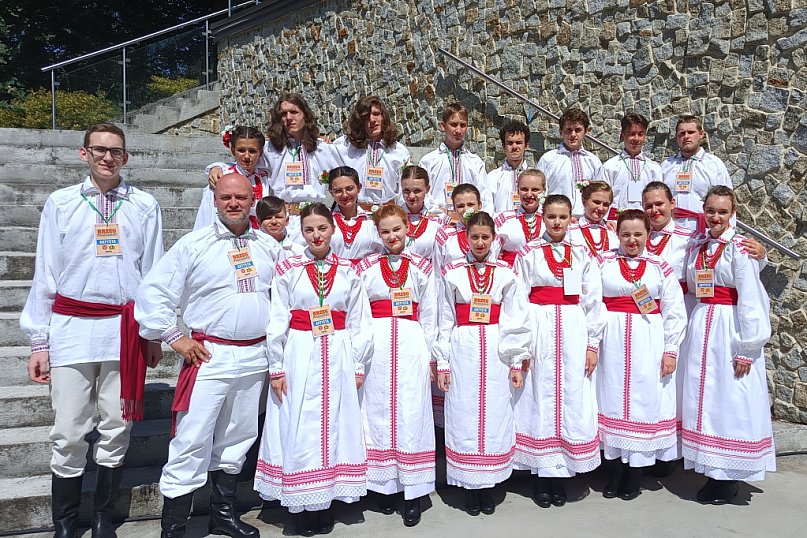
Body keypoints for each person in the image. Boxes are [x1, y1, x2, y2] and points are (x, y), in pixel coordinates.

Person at [20, 123, 164, 538]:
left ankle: (104, 517)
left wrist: (152, 333)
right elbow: (45, 274)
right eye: (99, 150)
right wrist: (38, 341)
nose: (107, 157)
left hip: (123, 330)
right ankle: (65, 522)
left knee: (118, 424)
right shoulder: (62, 203)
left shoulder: (144, 205)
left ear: (126, 157)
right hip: (71, 328)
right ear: (84, 154)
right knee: (68, 429)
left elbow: (152, 273)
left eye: (115, 151)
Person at [136, 174, 281, 538]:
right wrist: (173, 336)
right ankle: (174, 527)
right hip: (209, 357)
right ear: (215, 200)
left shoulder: (269, 246)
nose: (234, 203)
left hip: (255, 356)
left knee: (239, 437)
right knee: (191, 439)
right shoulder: (194, 244)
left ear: (253, 200)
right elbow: (153, 293)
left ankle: (223, 514)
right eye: (226, 197)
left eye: (241, 197)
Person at [255, 203, 373, 536]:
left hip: (337, 350)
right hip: (301, 349)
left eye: (322, 228)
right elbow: (278, 317)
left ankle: (328, 499)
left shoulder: (349, 271)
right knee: (301, 423)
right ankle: (302, 505)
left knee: (334, 422)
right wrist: (276, 366)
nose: (316, 235)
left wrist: (359, 363)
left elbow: (359, 319)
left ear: (332, 230)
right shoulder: (289, 268)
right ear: (301, 232)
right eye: (309, 229)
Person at [503, 194, 604, 507]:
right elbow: (518, 299)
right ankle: (541, 474)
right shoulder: (529, 253)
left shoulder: (582, 253)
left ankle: (562, 473)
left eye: (562, 217)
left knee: (570, 393)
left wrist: (592, 343)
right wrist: (522, 344)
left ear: (571, 219)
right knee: (540, 394)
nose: (557, 223)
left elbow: (593, 299)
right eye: (551, 217)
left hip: (572, 328)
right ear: (543, 218)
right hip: (540, 325)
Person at [679, 186, 775, 505]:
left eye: (722, 212)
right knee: (707, 398)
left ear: (732, 213)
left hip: (729, 326)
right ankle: (712, 468)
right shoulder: (698, 246)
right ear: (703, 212)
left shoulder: (740, 248)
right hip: (704, 324)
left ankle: (730, 474)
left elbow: (750, 299)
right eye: (711, 211)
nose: (716, 217)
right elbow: (692, 287)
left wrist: (747, 348)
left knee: (731, 398)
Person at [434, 212, 528, 516]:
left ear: (494, 239)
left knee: (495, 411)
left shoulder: (505, 273)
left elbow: (515, 318)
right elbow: (444, 319)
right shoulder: (452, 273)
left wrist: (516, 360)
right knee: (463, 411)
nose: (479, 242)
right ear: (466, 237)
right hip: (463, 347)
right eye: (474, 236)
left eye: (485, 237)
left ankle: (489, 485)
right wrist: (443, 361)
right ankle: (468, 486)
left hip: (495, 348)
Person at [356, 205, 438, 527]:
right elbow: (359, 312)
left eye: (397, 230)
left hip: (410, 343)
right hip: (376, 344)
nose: (392, 237)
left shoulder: (422, 267)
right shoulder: (366, 267)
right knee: (376, 412)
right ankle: (384, 487)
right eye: (385, 231)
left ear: (408, 229)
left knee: (411, 412)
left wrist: (431, 355)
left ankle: (413, 490)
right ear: (378, 234)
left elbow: (431, 314)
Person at [596, 210, 687, 501]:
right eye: (625, 234)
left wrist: (671, 349)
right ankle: (615, 468)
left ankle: (634, 471)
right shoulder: (602, 262)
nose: (631, 240)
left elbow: (674, 311)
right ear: (617, 234)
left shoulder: (660, 266)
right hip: (612, 340)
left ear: (648, 234)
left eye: (638, 234)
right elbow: (591, 301)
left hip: (649, 341)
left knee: (642, 401)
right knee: (613, 399)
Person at [207, 94, 338, 240]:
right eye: (283, 114)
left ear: (305, 116)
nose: (288, 117)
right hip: (281, 220)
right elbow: (245, 163)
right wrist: (216, 167)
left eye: (294, 112)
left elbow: (344, 173)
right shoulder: (271, 148)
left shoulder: (323, 148)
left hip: (315, 218)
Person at [332, 95, 411, 206]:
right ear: (359, 121)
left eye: (376, 114)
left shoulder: (399, 151)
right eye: (365, 116)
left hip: (388, 214)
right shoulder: (343, 146)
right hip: (354, 214)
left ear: (383, 117)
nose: (372, 120)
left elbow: (407, 186)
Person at [660, 115, 732, 233]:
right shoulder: (666, 166)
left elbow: (728, 201)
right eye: (682, 133)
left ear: (701, 134)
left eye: (691, 132)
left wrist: (728, 234)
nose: (686, 137)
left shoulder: (714, 165)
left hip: (703, 230)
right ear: (676, 137)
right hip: (671, 231)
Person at [419, 102, 493, 212]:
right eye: (453, 124)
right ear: (443, 126)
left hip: (469, 221)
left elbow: (485, 197)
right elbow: (423, 194)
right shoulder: (429, 161)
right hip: (438, 222)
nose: (458, 130)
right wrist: (442, 214)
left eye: (462, 125)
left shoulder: (475, 162)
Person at [194, 126, 271, 231]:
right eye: (241, 150)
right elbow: (206, 215)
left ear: (260, 153)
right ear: (233, 151)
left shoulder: (265, 178)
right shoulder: (221, 178)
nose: (247, 156)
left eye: (252, 151)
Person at [537, 107, 603, 218]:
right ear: (561, 131)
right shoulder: (548, 159)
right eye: (568, 130)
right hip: (557, 219)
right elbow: (540, 192)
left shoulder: (593, 161)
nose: (573, 134)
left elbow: (600, 194)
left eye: (577, 130)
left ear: (585, 131)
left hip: (585, 220)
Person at [595, 113, 662, 219]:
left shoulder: (654, 168)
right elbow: (600, 197)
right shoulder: (609, 167)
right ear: (622, 135)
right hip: (616, 223)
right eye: (632, 134)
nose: (636, 139)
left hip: (646, 223)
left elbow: (659, 199)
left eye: (640, 134)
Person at [433, 183, 500, 272]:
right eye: (460, 206)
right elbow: (437, 272)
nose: (466, 210)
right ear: (454, 208)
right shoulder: (445, 235)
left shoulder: (491, 233)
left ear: (480, 205)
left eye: (470, 204)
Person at [327, 166, 383, 264]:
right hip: (335, 275)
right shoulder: (325, 221)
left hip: (365, 275)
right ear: (331, 192)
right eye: (338, 191)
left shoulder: (372, 221)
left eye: (349, 189)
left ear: (359, 188)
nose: (344, 195)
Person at [494, 168, 547, 267]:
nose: (529, 194)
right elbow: (492, 252)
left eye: (535, 189)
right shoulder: (503, 219)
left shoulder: (550, 218)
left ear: (544, 190)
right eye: (524, 189)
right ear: (517, 191)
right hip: (510, 274)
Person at [397, 164, 448, 259]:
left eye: (417, 191)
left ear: (427, 189)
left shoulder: (436, 220)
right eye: (406, 190)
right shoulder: (393, 217)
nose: (411, 196)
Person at [489, 120, 532, 213]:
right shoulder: (493, 177)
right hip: (501, 226)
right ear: (504, 146)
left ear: (526, 145)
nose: (514, 146)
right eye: (510, 143)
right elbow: (488, 209)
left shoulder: (535, 177)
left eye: (519, 142)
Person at [568, 181, 618, 259]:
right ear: (584, 201)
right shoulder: (571, 230)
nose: (601, 208)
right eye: (596, 202)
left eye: (605, 204)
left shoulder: (612, 231)